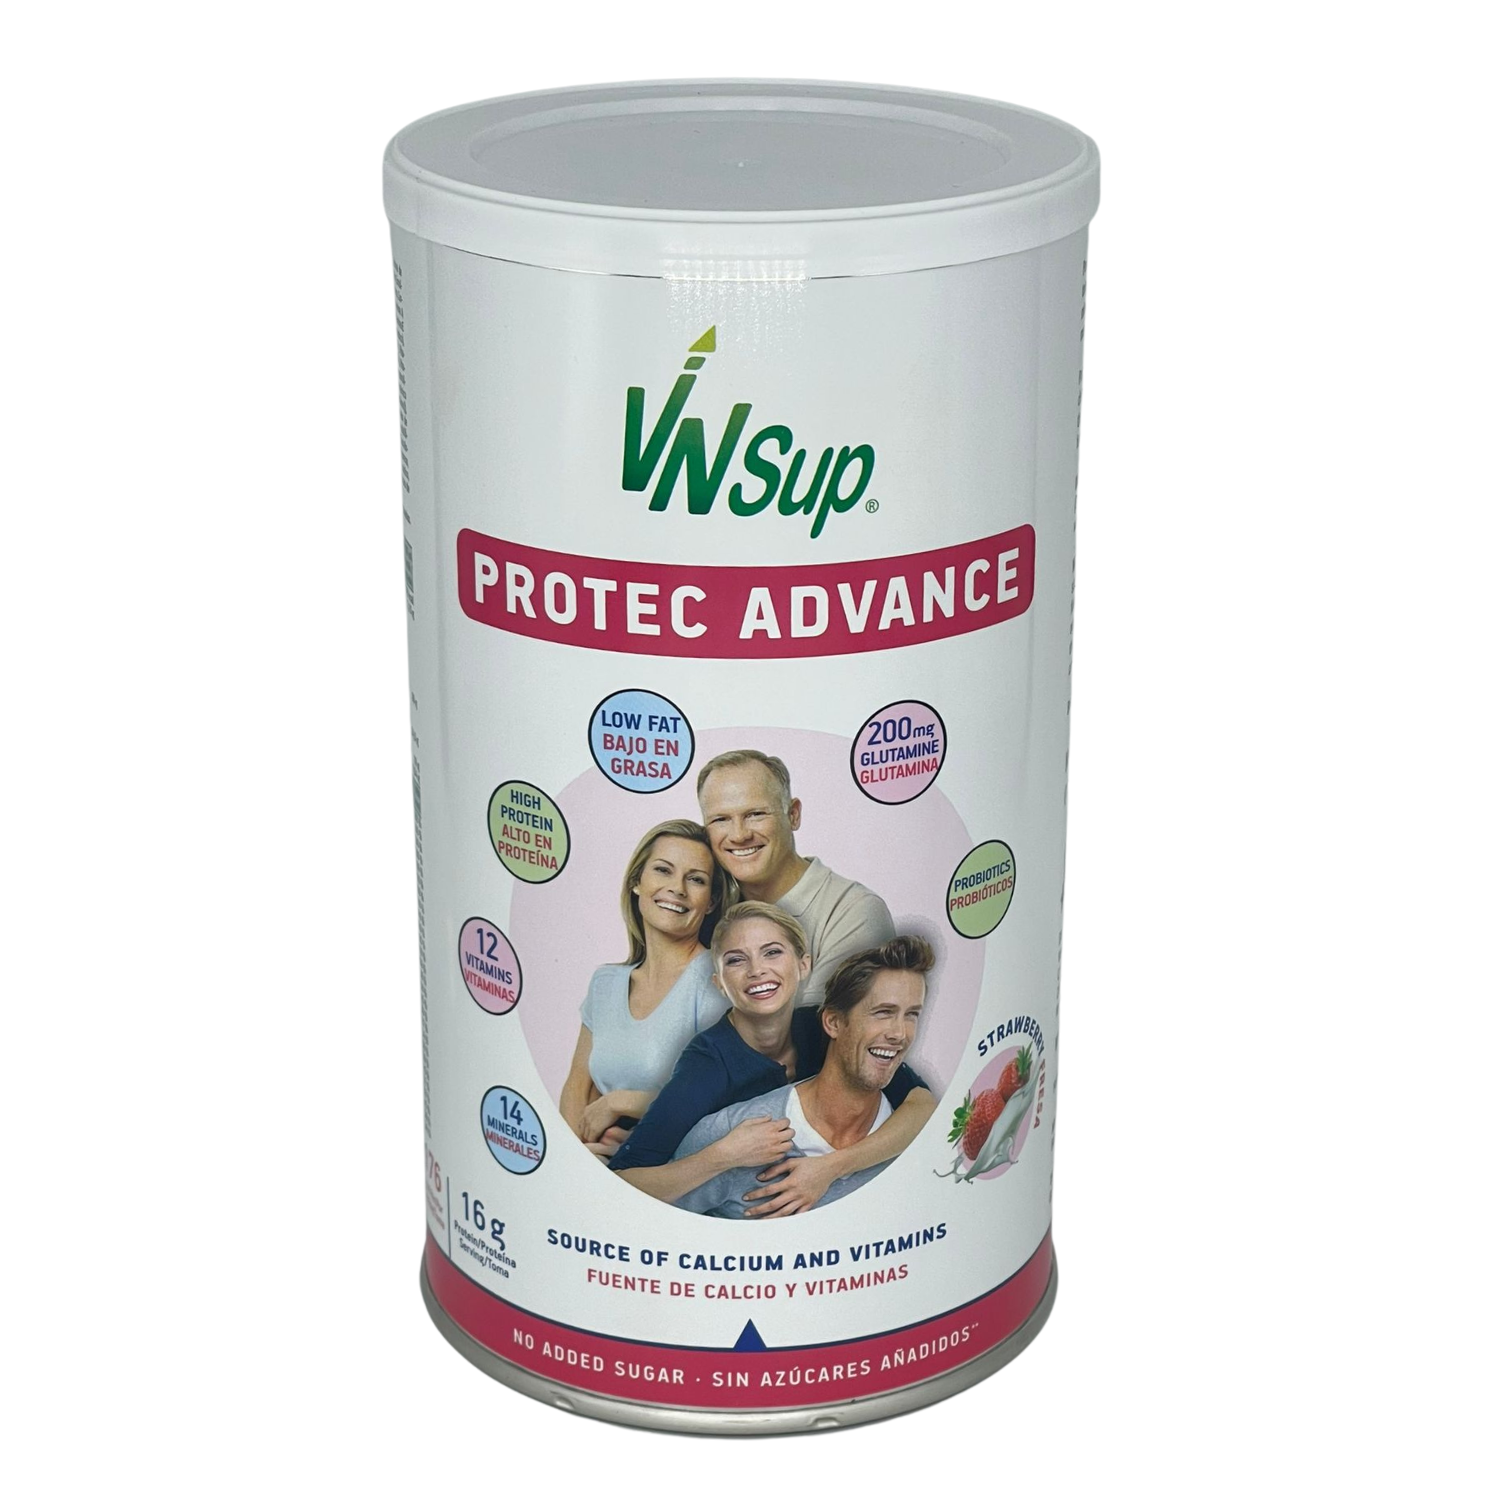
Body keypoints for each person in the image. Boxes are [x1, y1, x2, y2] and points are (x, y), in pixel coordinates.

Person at [609, 905, 935, 1215]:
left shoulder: (822, 1027)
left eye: (772, 952)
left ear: (803, 965)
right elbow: (623, 1183)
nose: (757, 970)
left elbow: (921, 1104)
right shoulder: (708, 1065)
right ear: (719, 983)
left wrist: (830, 1168)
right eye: (736, 960)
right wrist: (723, 1155)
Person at [559, 820, 733, 1157]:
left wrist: (620, 1102)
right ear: (637, 881)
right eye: (663, 870)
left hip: (672, 1173)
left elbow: (722, 1100)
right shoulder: (605, 983)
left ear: (711, 901)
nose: (677, 888)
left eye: (696, 879)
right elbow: (577, 1086)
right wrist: (577, 1159)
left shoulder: (718, 980)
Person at [696, 749, 894, 1007]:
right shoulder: (705, 910)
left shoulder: (855, 912)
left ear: (793, 815)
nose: (739, 835)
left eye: (755, 814)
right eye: (720, 819)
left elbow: (815, 1027)